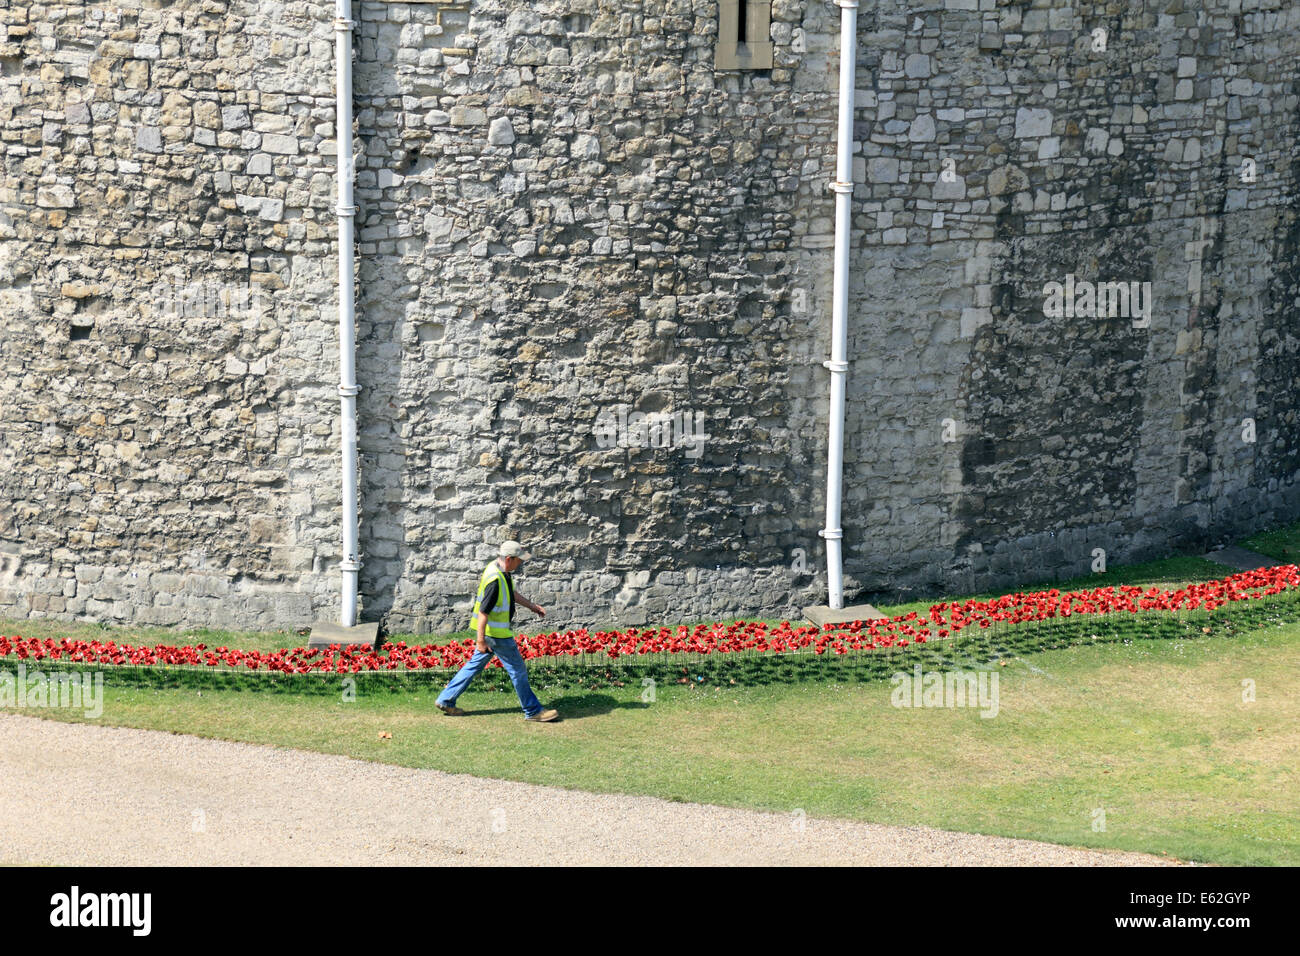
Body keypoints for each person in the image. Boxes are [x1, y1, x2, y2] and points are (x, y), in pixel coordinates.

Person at [435, 541, 559, 722]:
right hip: (496, 635)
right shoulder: (495, 579)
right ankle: (533, 711)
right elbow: (483, 612)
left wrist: (532, 606)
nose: (521, 563)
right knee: (518, 671)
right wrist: (480, 641)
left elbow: (511, 593)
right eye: (519, 560)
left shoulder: (500, 570)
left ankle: (446, 699)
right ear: (509, 559)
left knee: (473, 666)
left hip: (490, 634)